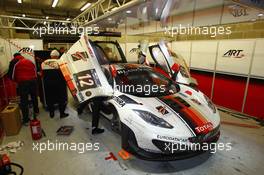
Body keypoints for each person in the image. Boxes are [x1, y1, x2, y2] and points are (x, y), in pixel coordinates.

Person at [7, 53, 39, 125]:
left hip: (23, 83)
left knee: (24, 100)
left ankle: (26, 119)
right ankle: (36, 111)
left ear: (14, 57)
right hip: (33, 81)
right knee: (34, 96)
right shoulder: (29, 61)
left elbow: (11, 75)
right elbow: (35, 71)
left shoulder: (14, 62)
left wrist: (16, 81)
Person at [41, 50, 69, 119]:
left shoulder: (44, 62)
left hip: (48, 84)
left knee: (50, 98)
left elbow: (42, 74)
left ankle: (51, 113)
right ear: (57, 56)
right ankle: (62, 114)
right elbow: (65, 73)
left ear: (51, 56)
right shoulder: (60, 62)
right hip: (59, 84)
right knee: (61, 99)